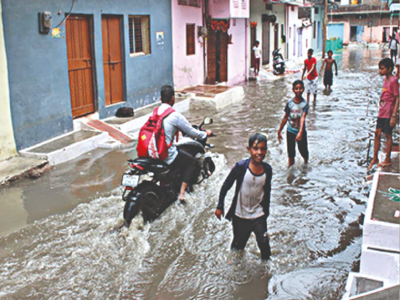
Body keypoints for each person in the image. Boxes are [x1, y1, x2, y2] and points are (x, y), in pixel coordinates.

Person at [215, 133, 272, 261]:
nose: (259, 152)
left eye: (262, 149)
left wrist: (266, 212)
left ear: (266, 151)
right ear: (249, 150)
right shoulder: (240, 167)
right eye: (255, 148)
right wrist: (220, 206)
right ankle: (233, 268)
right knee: (238, 247)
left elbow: (267, 191)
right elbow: (226, 185)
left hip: (259, 215)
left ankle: (266, 275)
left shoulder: (267, 170)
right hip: (240, 216)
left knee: (264, 246)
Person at [158, 85, 212, 202]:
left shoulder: (155, 113)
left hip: (153, 152)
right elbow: (192, 132)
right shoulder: (174, 115)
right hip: (166, 153)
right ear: (173, 98)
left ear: (160, 99)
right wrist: (205, 134)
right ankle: (182, 194)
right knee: (190, 162)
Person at [367, 58, 399, 171]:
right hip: (382, 110)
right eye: (379, 69)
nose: (380, 71)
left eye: (382, 69)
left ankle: (387, 159)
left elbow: (397, 97)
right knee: (377, 133)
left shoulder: (393, 81)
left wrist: (394, 116)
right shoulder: (385, 79)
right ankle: (375, 157)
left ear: (389, 69)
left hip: (389, 111)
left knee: (388, 135)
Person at [277, 80, 309, 167]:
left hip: (300, 131)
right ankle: (290, 174)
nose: (298, 90)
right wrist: (279, 131)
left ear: (303, 89)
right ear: (293, 90)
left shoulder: (304, 104)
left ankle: (305, 167)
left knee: (304, 152)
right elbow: (285, 117)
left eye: (300, 88)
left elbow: (303, 117)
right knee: (291, 154)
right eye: (296, 89)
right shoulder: (290, 104)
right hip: (290, 131)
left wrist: (301, 132)